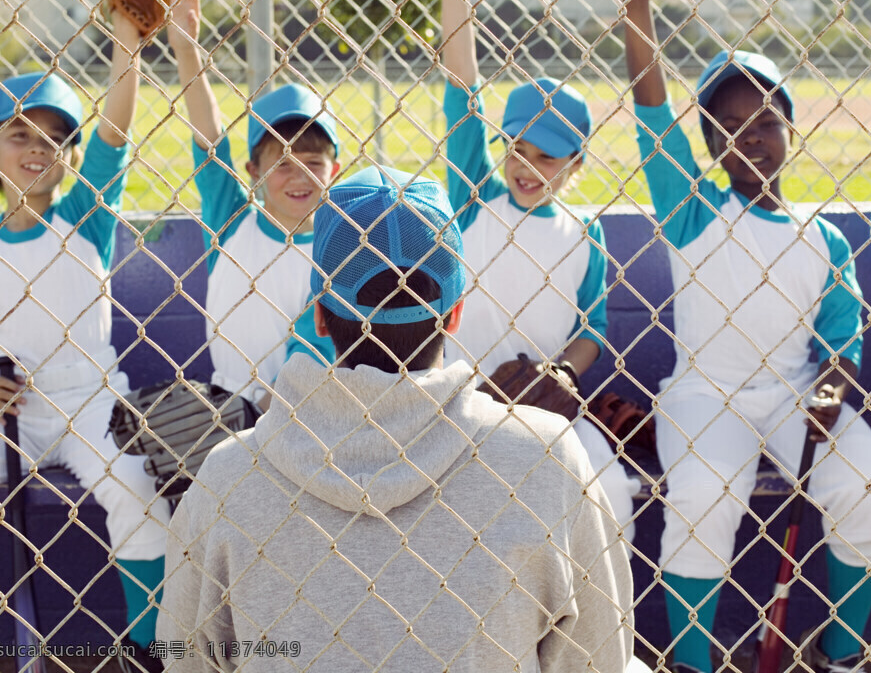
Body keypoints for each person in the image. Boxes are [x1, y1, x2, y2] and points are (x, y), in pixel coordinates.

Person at [156, 166, 633, 672]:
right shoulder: (546, 457)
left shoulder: (229, 476)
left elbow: (186, 658)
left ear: (318, 316)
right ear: (455, 315)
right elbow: (600, 657)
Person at [605, 0, 871, 673]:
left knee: (870, 490)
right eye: (728, 127)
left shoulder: (823, 239)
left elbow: (843, 337)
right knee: (704, 496)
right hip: (707, 395)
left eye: (765, 121)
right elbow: (650, 112)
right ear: (707, 144)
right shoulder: (693, 210)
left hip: (798, 395)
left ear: (789, 131)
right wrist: (638, 2)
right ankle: (694, 662)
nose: (749, 139)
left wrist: (833, 384)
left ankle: (841, 656)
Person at [0, 14, 169, 666]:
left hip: (92, 404)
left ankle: (146, 645)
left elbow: (115, 135)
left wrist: (127, 49)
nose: (37, 149)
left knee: (137, 489)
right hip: (9, 414)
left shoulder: (85, 218)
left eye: (55, 139)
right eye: (20, 133)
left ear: (71, 159)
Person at [411, 0, 636, 547]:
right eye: (518, 148)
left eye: (548, 155)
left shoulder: (582, 233)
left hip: (546, 405)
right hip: (459, 404)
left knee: (612, 498)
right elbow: (462, 89)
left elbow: (592, 329)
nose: (527, 166)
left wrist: (562, 374)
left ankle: (591, 634)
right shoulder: (476, 199)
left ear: (576, 164)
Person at [167, 0, 337, 405]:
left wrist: (267, 407)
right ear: (253, 172)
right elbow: (209, 141)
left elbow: (315, 351)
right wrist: (187, 51)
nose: (299, 176)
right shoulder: (233, 222)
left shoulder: (341, 251)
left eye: (313, 162)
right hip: (227, 406)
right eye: (281, 163)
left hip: (305, 414)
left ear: (334, 170)